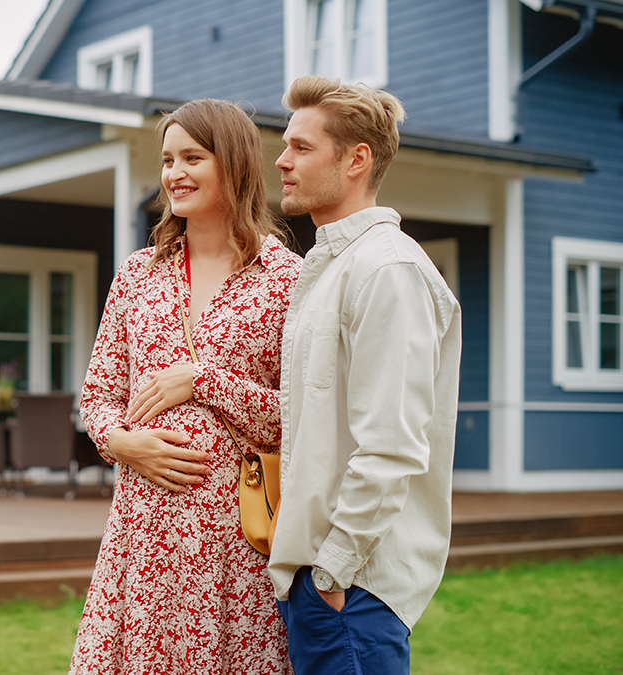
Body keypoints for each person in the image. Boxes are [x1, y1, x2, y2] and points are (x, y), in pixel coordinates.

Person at [70, 99, 301, 674]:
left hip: (234, 546)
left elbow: (302, 414)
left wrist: (205, 381)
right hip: (141, 536)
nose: (174, 173)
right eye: (168, 159)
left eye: (192, 157)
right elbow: (98, 396)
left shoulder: (288, 279)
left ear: (236, 165)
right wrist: (119, 443)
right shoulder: (138, 274)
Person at [268, 76, 462, 674]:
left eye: (302, 146)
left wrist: (333, 571)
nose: (281, 159)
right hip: (324, 584)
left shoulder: (387, 269)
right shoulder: (331, 265)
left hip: (353, 590)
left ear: (357, 159)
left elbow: (393, 444)